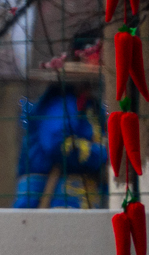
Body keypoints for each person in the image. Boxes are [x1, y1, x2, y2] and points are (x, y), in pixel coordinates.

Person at [17, 78, 108, 209]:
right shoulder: (60, 104)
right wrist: (102, 153)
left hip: (84, 190)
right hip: (49, 189)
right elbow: (57, 144)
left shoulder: (90, 106)